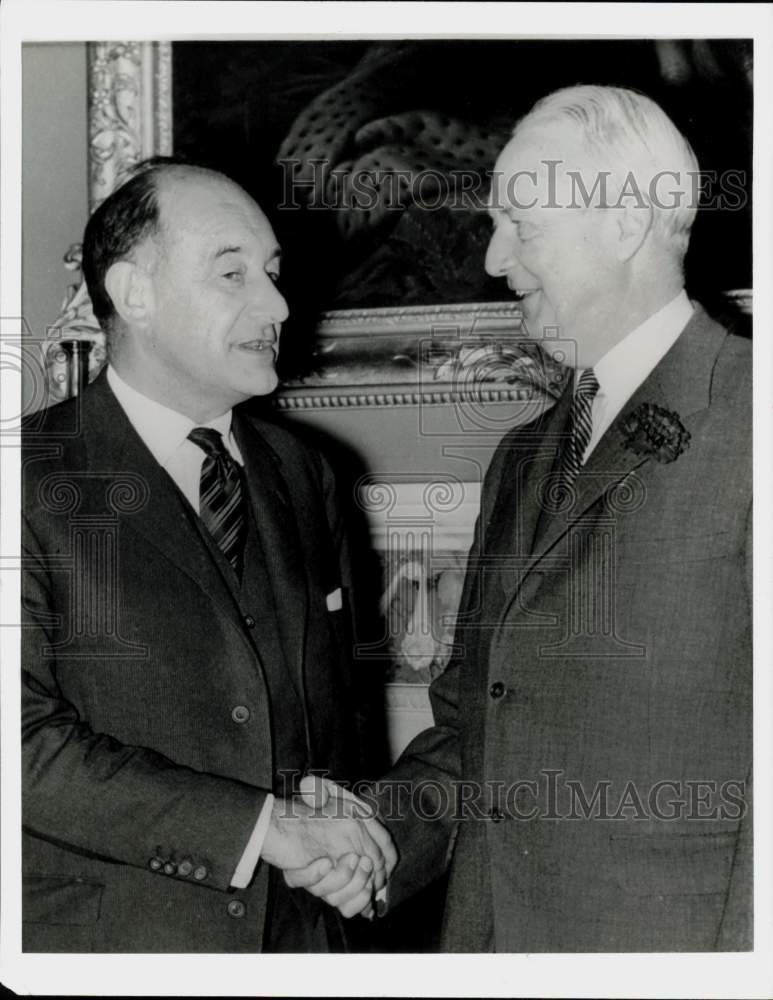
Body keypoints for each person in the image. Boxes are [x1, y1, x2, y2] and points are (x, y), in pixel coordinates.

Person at [289, 85, 752, 952]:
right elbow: (476, 723)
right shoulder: (524, 454)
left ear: (622, 222)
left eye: (521, 225)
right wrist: (372, 827)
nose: (495, 259)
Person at [21, 158, 395, 953]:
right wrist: (263, 829)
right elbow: (18, 745)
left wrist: (333, 817)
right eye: (234, 275)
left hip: (298, 942)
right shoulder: (23, 479)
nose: (278, 305)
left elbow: (340, 711)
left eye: (272, 273)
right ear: (135, 295)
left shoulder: (304, 472)